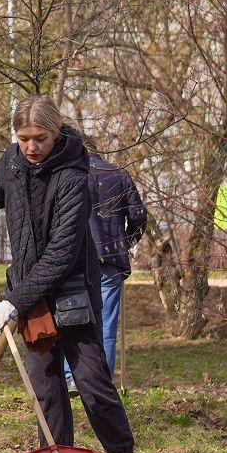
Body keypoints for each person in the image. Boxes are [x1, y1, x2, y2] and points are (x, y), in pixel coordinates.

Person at [0, 97, 140, 453]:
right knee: (46, 389)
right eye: (23, 138)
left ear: (55, 133)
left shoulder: (76, 176)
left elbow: (61, 254)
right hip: (31, 295)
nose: (30, 147)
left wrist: (13, 302)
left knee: (92, 382)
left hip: (73, 293)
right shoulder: (10, 161)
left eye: (39, 138)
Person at [62, 138, 147, 392]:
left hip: (76, 261)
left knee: (74, 317)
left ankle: (71, 377)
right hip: (110, 259)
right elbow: (139, 217)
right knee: (106, 323)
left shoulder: (71, 175)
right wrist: (125, 241)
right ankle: (102, 381)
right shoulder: (119, 175)